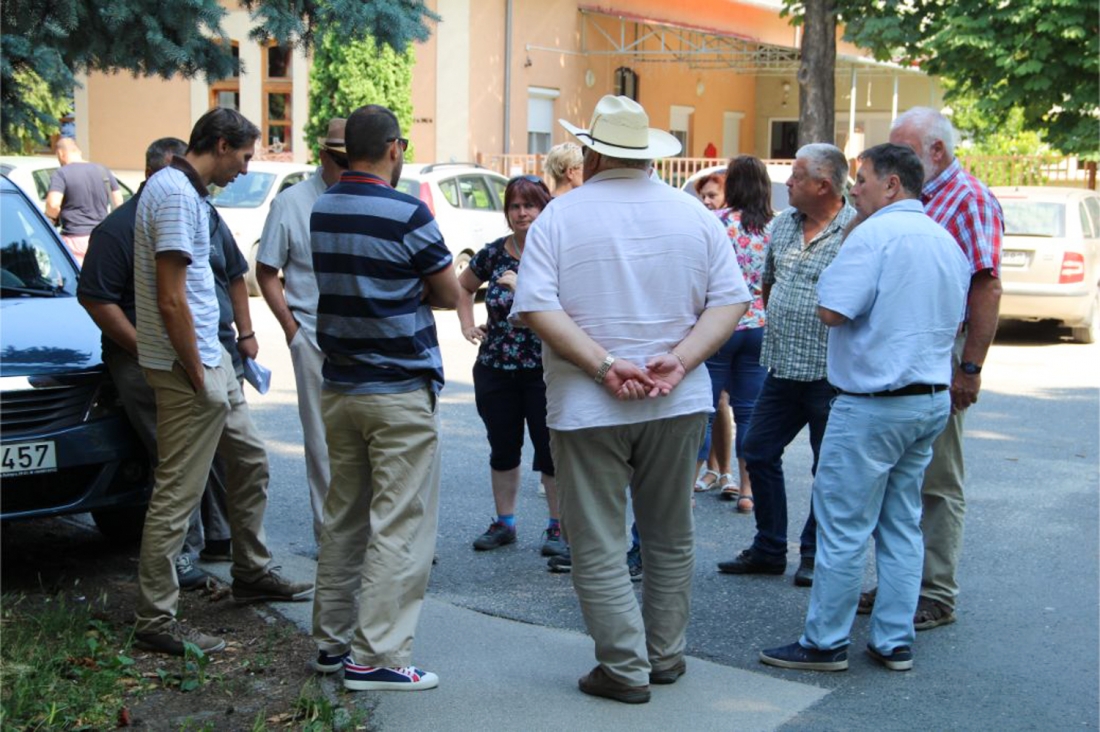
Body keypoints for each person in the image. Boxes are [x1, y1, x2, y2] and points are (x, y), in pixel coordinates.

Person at [512, 95, 750, 704]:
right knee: (670, 534)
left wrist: (603, 365)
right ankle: (663, 655)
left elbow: (535, 306)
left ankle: (623, 666)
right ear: (647, 156)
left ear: (590, 154)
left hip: (586, 407)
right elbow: (731, 301)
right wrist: (683, 359)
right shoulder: (695, 215)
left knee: (597, 540)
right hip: (677, 400)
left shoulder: (559, 218)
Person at [759, 143, 970, 673]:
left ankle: (825, 641)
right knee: (901, 523)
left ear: (891, 185)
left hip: (873, 403)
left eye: (862, 180)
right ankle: (894, 639)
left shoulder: (872, 235)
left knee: (844, 525)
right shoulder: (943, 239)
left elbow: (832, 310)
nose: (854, 191)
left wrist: (852, 236)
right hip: (927, 399)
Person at [131, 108, 313, 656]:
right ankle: (155, 619)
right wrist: (197, 372)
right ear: (221, 144)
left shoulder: (188, 194)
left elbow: (210, 283)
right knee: (177, 494)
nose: (245, 168)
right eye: (245, 156)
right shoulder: (174, 195)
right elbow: (171, 299)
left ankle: (251, 572)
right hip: (191, 368)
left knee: (250, 461)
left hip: (215, 362)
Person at [309, 104, 461, 692]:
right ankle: (376, 657)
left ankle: (331, 642)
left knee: (344, 518)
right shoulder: (408, 212)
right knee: (399, 525)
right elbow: (448, 292)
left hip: (341, 386)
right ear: (394, 148)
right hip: (398, 390)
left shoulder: (324, 207)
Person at [858, 107, 1004, 630]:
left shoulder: (968, 198)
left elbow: (986, 286)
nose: (894, 158)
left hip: (941, 351)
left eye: (904, 148)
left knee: (937, 480)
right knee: (901, 479)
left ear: (936, 151)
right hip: (901, 349)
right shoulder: (917, 196)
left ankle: (935, 591)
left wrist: (970, 367)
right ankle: (903, 582)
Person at [79, 137, 239, 592]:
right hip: (151, 360)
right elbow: (98, 298)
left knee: (228, 455)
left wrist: (240, 338)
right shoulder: (119, 228)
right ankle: (175, 568)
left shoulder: (199, 209)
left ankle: (224, 544)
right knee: (175, 467)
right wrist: (150, 350)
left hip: (205, 352)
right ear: (155, 175)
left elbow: (231, 271)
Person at [716, 143, 856, 588]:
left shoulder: (856, 229)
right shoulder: (783, 225)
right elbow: (769, 284)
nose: (788, 183)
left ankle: (812, 554)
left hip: (830, 376)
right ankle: (770, 548)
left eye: (796, 176)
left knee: (827, 469)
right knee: (758, 450)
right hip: (780, 368)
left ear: (824, 185)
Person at [457, 175, 565, 557]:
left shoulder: (558, 252)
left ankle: (557, 527)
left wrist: (523, 288)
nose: (522, 213)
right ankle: (505, 523)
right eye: (515, 206)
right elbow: (463, 286)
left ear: (544, 209)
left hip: (544, 368)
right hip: (496, 365)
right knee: (502, 448)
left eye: (529, 205)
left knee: (550, 451)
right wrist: (467, 324)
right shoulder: (493, 253)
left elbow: (570, 306)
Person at [256, 118, 348, 548]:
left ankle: (376, 537)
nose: (349, 169)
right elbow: (266, 270)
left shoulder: (366, 197)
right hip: (311, 335)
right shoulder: (291, 203)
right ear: (323, 156)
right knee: (322, 441)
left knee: (368, 440)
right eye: (341, 161)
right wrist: (290, 328)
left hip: (364, 339)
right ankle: (331, 539)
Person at [695, 156, 771, 511]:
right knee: (749, 413)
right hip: (758, 324)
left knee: (704, 410)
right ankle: (747, 490)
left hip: (720, 324)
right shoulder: (774, 227)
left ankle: (686, 487)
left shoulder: (718, 222)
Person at [45, 138, 124, 264]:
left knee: (75, 274)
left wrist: (51, 219)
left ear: (60, 153)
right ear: (79, 152)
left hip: (74, 238)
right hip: (101, 237)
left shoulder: (61, 173)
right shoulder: (103, 171)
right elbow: (118, 202)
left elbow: (53, 204)